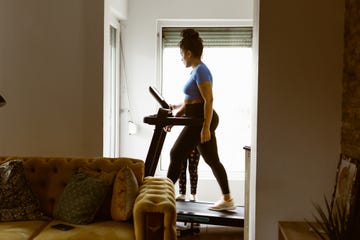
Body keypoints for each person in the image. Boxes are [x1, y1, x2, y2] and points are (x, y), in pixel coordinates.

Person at [165, 28, 235, 211]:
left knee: (176, 153)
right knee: (212, 159)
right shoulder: (196, 71)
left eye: (182, 55)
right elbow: (190, 103)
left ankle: (163, 195)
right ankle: (227, 198)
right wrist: (174, 116)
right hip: (198, 120)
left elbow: (208, 100)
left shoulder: (201, 71)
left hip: (201, 121)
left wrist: (205, 128)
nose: (181, 58)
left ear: (189, 53)